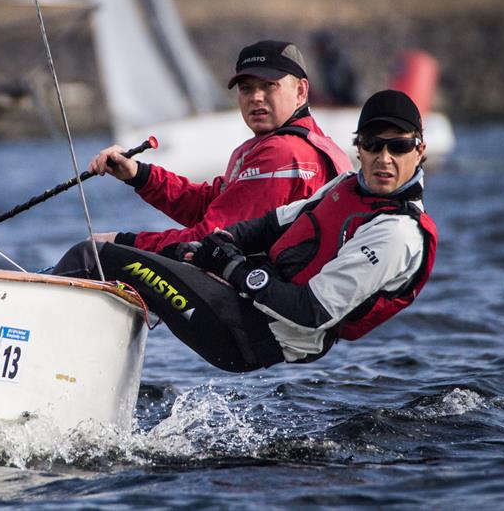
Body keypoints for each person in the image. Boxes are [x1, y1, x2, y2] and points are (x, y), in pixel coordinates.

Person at [52, 90, 437, 372]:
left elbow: (312, 312)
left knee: (93, 257)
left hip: (253, 334)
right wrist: (220, 244)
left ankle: (39, 362)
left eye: (398, 147)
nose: (384, 158)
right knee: (120, 270)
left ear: (419, 151)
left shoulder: (396, 234)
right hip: (242, 304)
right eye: (373, 145)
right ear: (359, 148)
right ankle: (71, 376)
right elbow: (272, 224)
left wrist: (232, 267)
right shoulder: (346, 187)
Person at [89, 40, 352, 259]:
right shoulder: (307, 142)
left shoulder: (284, 153)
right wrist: (138, 174)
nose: (256, 97)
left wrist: (122, 242)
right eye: (246, 88)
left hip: (260, 305)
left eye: (269, 85)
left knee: (91, 254)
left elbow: (212, 236)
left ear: (301, 91)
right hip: (265, 292)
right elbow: (213, 205)